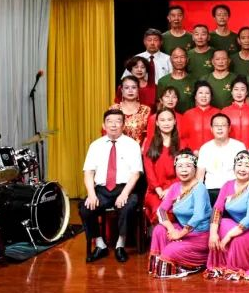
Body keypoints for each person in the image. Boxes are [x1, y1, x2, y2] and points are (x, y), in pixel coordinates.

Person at [81, 109, 143, 263]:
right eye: (109, 121)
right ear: (104, 125)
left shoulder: (132, 145)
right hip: (102, 190)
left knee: (128, 205)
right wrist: (91, 194)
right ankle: (100, 244)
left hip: (125, 188)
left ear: (123, 125)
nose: (113, 125)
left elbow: (136, 173)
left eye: (118, 121)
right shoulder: (95, 145)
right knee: (85, 208)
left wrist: (124, 194)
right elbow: (88, 172)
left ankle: (120, 245)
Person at [148, 149, 211, 278]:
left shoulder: (199, 188)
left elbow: (198, 216)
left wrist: (179, 234)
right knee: (159, 230)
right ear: (175, 169)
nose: (184, 170)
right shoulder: (175, 187)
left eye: (188, 166)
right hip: (181, 230)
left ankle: (193, 263)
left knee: (169, 252)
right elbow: (161, 210)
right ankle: (165, 258)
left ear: (195, 169)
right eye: (180, 166)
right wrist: (171, 229)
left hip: (199, 236)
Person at [205, 150, 249, 278]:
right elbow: (217, 209)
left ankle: (234, 268)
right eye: (239, 165)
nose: (242, 169)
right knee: (221, 224)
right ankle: (220, 265)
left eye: (247, 165)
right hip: (237, 226)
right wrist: (213, 234)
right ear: (234, 167)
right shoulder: (227, 185)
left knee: (236, 240)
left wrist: (229, 235)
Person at [197, 113, 246, 205]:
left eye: (223, 125)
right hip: (211, 191)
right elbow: (200, 176)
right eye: (216, 125)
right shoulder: (205, 148)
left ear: (229, 128)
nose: (219, 128)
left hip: (233, 191)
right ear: (211, 129)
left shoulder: (239, 146)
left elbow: (245, 172)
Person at [142, 108, 181, 224]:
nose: (166, 123)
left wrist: (171, 190)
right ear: (157, 123)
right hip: (155, 191)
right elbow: (149, 170)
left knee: (176, 211)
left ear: (174, 121)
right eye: (162, 120)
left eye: (169, 119)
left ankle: (172, 235)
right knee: (160, 213)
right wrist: (158, 190)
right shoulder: (149, 143)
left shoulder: (182, 144)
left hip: (177, 189)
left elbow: (185, 171)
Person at [109, 76, 152, 144]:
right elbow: (107, 132)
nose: (130, 90)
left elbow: (150, 134)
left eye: (134, 87)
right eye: (126, 88)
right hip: (117, 147)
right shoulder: (114, 109)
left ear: (138, 90)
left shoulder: (146, 110)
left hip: (140, 148)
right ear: (122, 90)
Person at [181, 82, 221, 150]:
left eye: (207, 93)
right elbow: (183, 138)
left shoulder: (218, 113)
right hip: (193, 153)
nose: (204, 96)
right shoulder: (188, 114)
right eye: (200, 93)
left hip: (215, 152)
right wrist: (191, 151)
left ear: (211, 97)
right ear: (195, 96)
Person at [220, 76, 249, 149]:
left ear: (246, 93)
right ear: (231, 92)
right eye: (236, 89)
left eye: (242, 90)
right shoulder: (224, 111)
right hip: (229, 149)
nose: (239, 93)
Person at [156, 47, 193, 111]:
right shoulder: (163, 81)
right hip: (169, 116)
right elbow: (159, 104)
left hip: (189, 116)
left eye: (182, 57)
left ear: (187, 59)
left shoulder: (194, 80)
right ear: (171, 60)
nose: (179, 60)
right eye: (176, 57)